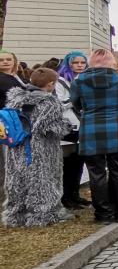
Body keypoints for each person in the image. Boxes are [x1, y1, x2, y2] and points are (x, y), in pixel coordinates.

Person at [71, 49, 118, 223]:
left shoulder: (79, 82)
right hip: (117, 130)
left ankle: (103, 213)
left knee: (96, 173)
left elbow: (76, 105)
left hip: (91, 130)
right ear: (111, 61)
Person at [3, 67, 71, 226]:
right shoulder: (49, 102)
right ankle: (43, 215)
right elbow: (49, 128)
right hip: (41, 148)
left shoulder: (16, 99)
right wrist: (66, 126)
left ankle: (16, 215)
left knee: (18, 180)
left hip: (17, 146)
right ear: (51, 84)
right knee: (43, 179)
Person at [55, 51, 91, 209]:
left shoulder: (86, 79)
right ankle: (66, 197)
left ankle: (75, 194)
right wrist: (77, 98)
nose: (80, 66)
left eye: (83, 63)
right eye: (76, 63)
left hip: (84, 124)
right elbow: (60, 103)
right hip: (69, 126)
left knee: (79, 162)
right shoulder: (60, 81)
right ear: (69, 64)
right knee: (68, 164)